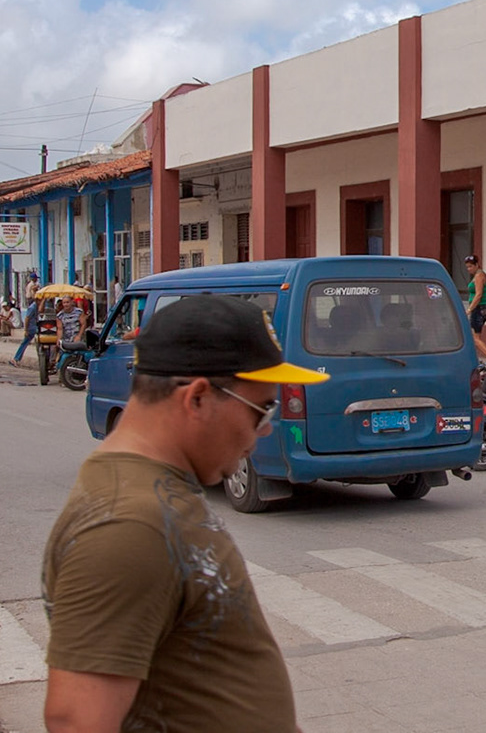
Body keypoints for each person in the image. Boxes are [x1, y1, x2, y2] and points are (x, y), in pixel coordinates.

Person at [42, 294, 328, 731]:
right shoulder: (126, 527)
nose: (266, 427)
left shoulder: (154, 493)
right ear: (196, 398)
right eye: (261, 408)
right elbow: (77, 720)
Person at [462, 255, 486, 333]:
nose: (469, 269)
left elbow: (478, 294)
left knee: (474, 336)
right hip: (480, 307)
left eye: (471, 266)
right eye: (467, 267)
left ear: (477, 265)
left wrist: (469, 309)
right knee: (475, 334)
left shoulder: (479, 276)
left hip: (480, 307)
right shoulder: (478, 275)